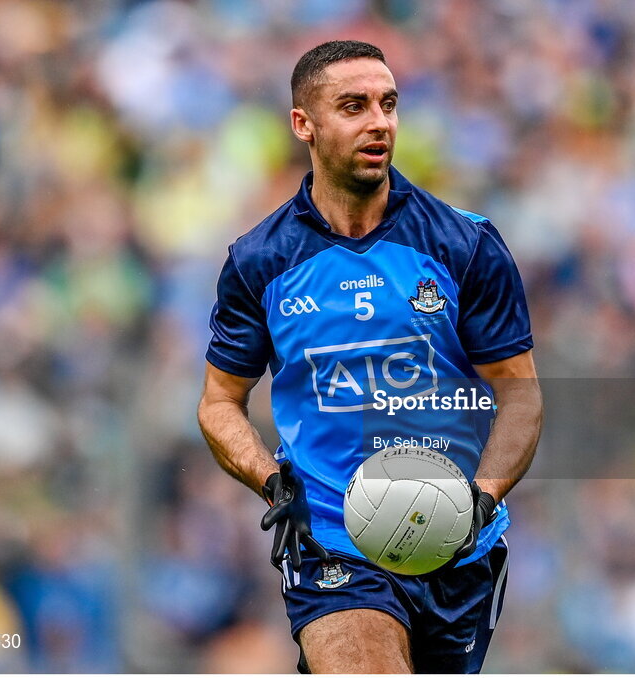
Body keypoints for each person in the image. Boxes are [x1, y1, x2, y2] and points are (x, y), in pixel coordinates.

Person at [197, 40, 542, 674]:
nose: (377, 121)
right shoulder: (259, 262)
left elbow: (519, 393)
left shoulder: (465, 245)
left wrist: (481, 499)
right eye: (352, 106)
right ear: (304, 124)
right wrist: (271, 482)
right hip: (335, 543)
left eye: (387, 104)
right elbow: (220, 402)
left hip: (458, 550)